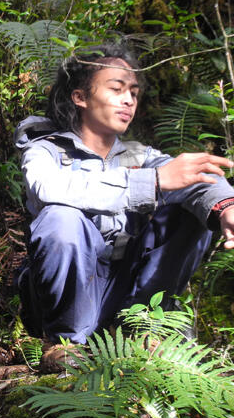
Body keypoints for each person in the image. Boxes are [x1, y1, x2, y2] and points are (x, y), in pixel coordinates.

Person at [15, 43, 234, 362]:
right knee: (60, 218)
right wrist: (154, 182)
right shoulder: (46, 151)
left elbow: (195, 180)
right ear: (80, 97)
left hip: (127, 290)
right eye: (116, 89)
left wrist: (226, 205)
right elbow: (48, 188)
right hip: (73, 292)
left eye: (133, 91)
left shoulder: (140, 156)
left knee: (193, 209)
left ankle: (139, 327)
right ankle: (63, 344)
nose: (129, 99)